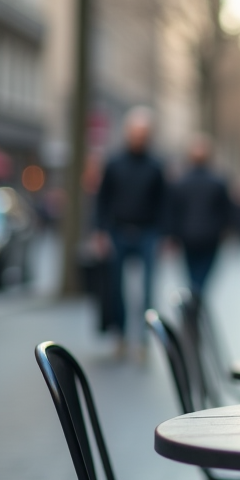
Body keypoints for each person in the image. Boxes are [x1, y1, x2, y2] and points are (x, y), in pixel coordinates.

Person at [94, 107, 167, 359]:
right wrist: (101, 232)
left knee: (147, 291)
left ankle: (144, 341)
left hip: (148, 232)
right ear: (128, 133)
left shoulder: (156, 165)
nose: (139, 137)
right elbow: (102, 199)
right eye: (136, 132)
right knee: (117, 288)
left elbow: (163, 202)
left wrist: (162, 235)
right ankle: (121, 337)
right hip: (118, 231)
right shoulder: (114, 163)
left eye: (143, 133)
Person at [169, 134, 231, 297]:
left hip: (187, 236)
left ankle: (195, 299)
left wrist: (173, 235)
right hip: (210, 237)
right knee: (203, 276)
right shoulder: (218, 181)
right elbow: (227, 211)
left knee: (191, 275)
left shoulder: (180, 182)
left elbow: (174, 211)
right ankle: (197, 299)